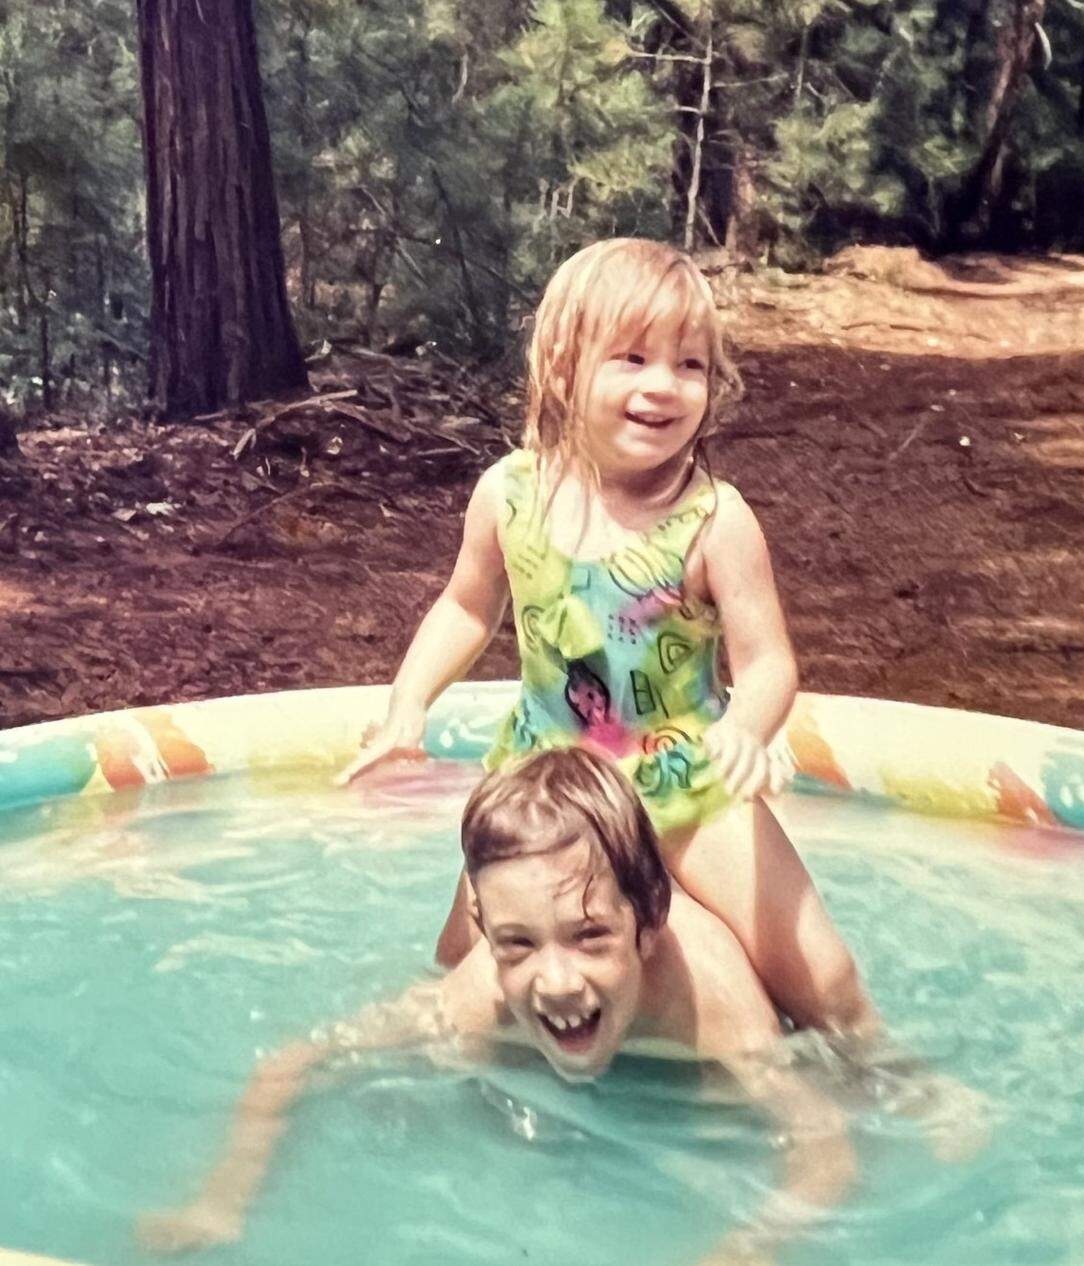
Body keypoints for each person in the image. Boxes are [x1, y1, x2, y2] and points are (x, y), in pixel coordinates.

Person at [339, 236, 875, 1035]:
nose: (664, 386)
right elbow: (465, 607)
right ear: (562, 368)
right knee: (461, 966)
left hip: (683, 781)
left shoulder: (715, 522)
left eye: (689, 365)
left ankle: (885, 1080)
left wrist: (743, 730)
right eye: (632, 358)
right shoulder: (508, 496)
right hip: (544, 786)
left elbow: (768, 664)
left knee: (821, 979)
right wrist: (407, 704)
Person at [140, 750, 857, 1262]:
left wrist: (748, 1249)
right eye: (519, 944)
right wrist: (220, 1201)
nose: (556, 982)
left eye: (589, 937)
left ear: (646, 926)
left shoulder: (715, 1012)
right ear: (485, 931)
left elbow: (825, 1149)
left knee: (835, 1002)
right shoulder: (480, 993)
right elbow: (293, 1063)